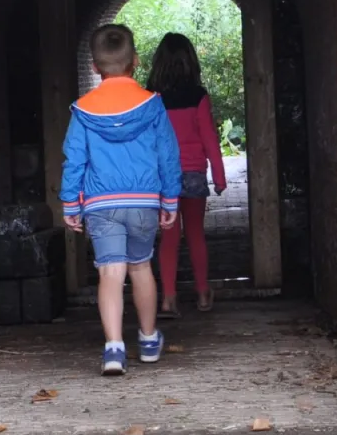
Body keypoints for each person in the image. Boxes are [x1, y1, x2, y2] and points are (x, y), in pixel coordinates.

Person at [61, 23, 182, 376]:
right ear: (136, 61)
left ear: (95, 67)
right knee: (141, 267)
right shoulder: (152, 105)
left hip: (100, 203)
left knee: (110, 273)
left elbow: (75, 158)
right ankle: (147, 340)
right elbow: (167, 154)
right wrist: (170, 200)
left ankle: (114, 349)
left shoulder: (83, 109)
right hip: (144, 200)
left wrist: (70, 203)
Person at [146, 32, 227, 317]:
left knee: (168, 236)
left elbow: (147, 141)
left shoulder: (151, 98)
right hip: (192, 171)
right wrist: (219, 176)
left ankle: (168, 298)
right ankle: (203, 292)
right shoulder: (198, 96)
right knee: (195, 233)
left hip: (162, 176)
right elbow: (209, 139)